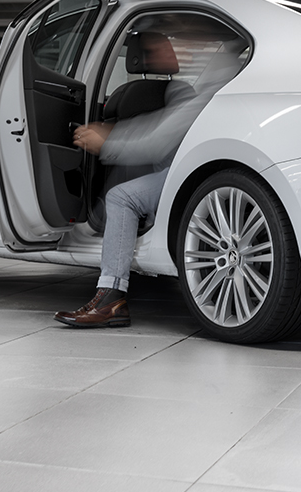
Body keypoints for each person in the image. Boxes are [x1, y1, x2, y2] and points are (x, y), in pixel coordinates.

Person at [55, 26, 244, 328]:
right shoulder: (222, 68)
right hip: (202, 169)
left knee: (121, 197)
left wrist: (107, 142)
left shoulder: (206, 81)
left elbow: (158, 141)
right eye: (160, 47)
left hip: (182, 174)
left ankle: (110, 298)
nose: (172, 49)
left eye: (169, 44)